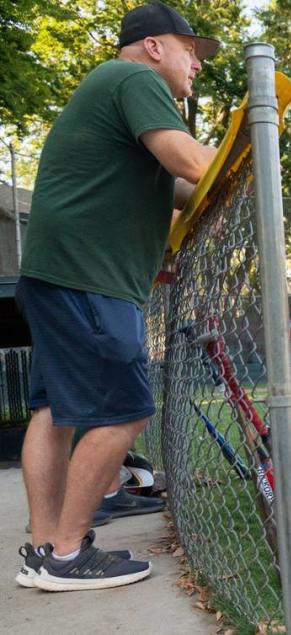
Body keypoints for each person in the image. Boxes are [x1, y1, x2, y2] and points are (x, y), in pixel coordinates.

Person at [14, 2, 219, 591]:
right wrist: (249, 156)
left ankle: (43, 548)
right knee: (124, 407)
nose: (196, 66)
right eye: (191, 51)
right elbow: (189, 160)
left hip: (60, 273)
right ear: (154, 46)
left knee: (54, 412)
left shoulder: (112, 92)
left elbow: (177, 186)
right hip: (88, 277)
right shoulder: (133, 77)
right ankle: (69, 552)